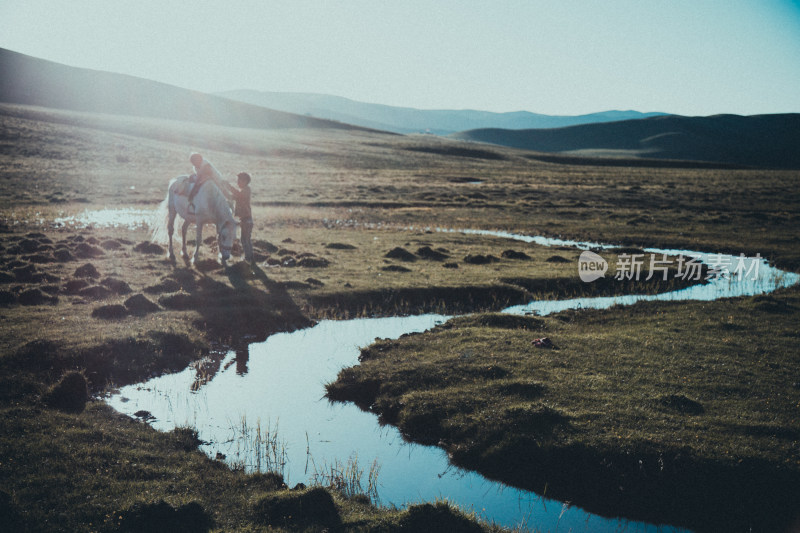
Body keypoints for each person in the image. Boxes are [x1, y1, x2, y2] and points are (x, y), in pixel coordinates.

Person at [223, 171, 253, 263]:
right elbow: (231, 197)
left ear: (245, 181)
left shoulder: (246, 190)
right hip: (245, 220)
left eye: (239, 181)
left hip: (246, 220)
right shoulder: (243, 191)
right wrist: (223, 190)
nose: (238, 183)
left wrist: (228, 186)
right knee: (244, 240)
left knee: (245, 241)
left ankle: (249, 258)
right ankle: (249, 258)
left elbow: (237, 195)